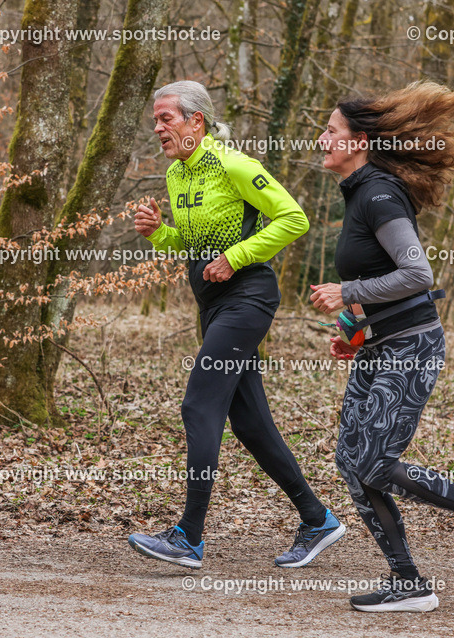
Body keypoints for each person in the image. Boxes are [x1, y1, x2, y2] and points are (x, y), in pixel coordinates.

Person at [309, 81, 454, 613]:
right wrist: (353, 330)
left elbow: (416, 273)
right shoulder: (361, 195)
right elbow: (381, 280)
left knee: (377, 463)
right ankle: (408, 582)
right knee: (352, 462)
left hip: (411, 346)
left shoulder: (379, 195)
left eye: (332, 131)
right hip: (379, 346)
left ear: (359, 141)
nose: (323, 138)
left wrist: (349, 292)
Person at [128, 81, 345, 569]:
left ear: (195, 122)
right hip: (213, 305)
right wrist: (157, 232)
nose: (158, 128)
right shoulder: (176, 176)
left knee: (199, 403)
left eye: (166, 119)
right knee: (248, 422)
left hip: (248, 299)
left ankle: (189, 536)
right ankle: (317, 519)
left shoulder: (234, 164)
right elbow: (190, 245)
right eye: (156, 120)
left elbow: (294, 218)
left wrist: (236, 257)